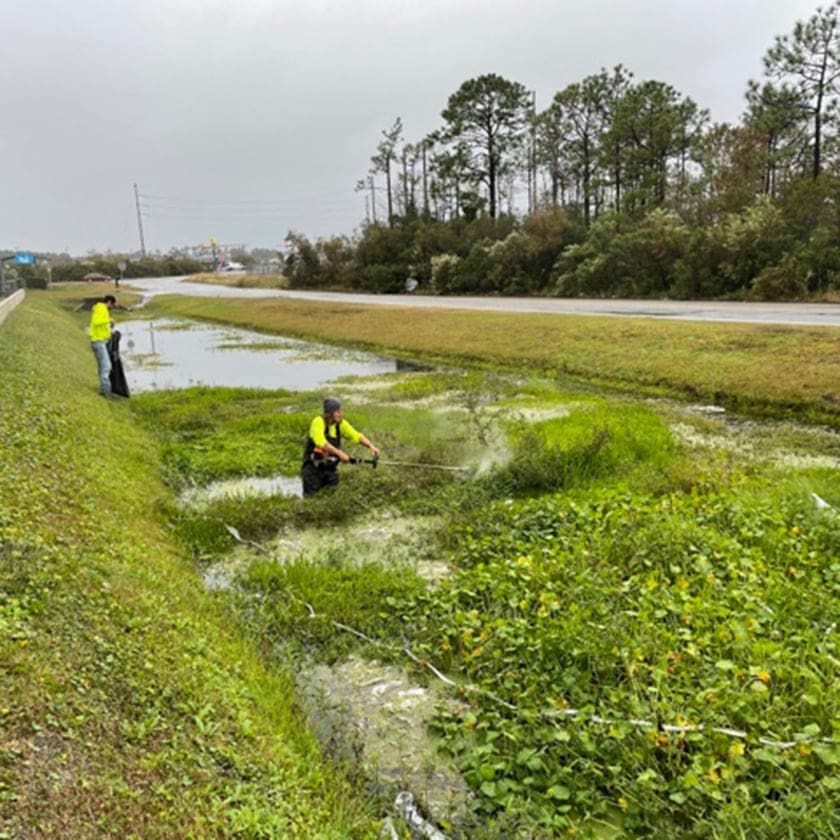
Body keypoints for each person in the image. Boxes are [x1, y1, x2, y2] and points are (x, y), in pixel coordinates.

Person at [301, 397, 380, 497]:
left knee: (331, 499)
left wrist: (371, 446)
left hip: (330, 470)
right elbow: (321, 443)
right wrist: (340, 453)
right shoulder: (318, 422)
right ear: (330, 413)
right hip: (313, 471)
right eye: (337, 412)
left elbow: (356, 435)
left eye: (340, 411)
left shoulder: (340, 424)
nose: (340, 414)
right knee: (311, 501)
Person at [89, 294, 116, 397]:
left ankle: (104, 390)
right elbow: (96, 322)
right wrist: (109, 320)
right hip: (98, 342)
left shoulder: (102, 309)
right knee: (106, 367)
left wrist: (109, 330)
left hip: (101, 341)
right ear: (109, 302)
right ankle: (106, 391)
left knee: (103, 367)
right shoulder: (100, 308)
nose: (112, 307)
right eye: (112, 305)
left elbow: (101, 326)